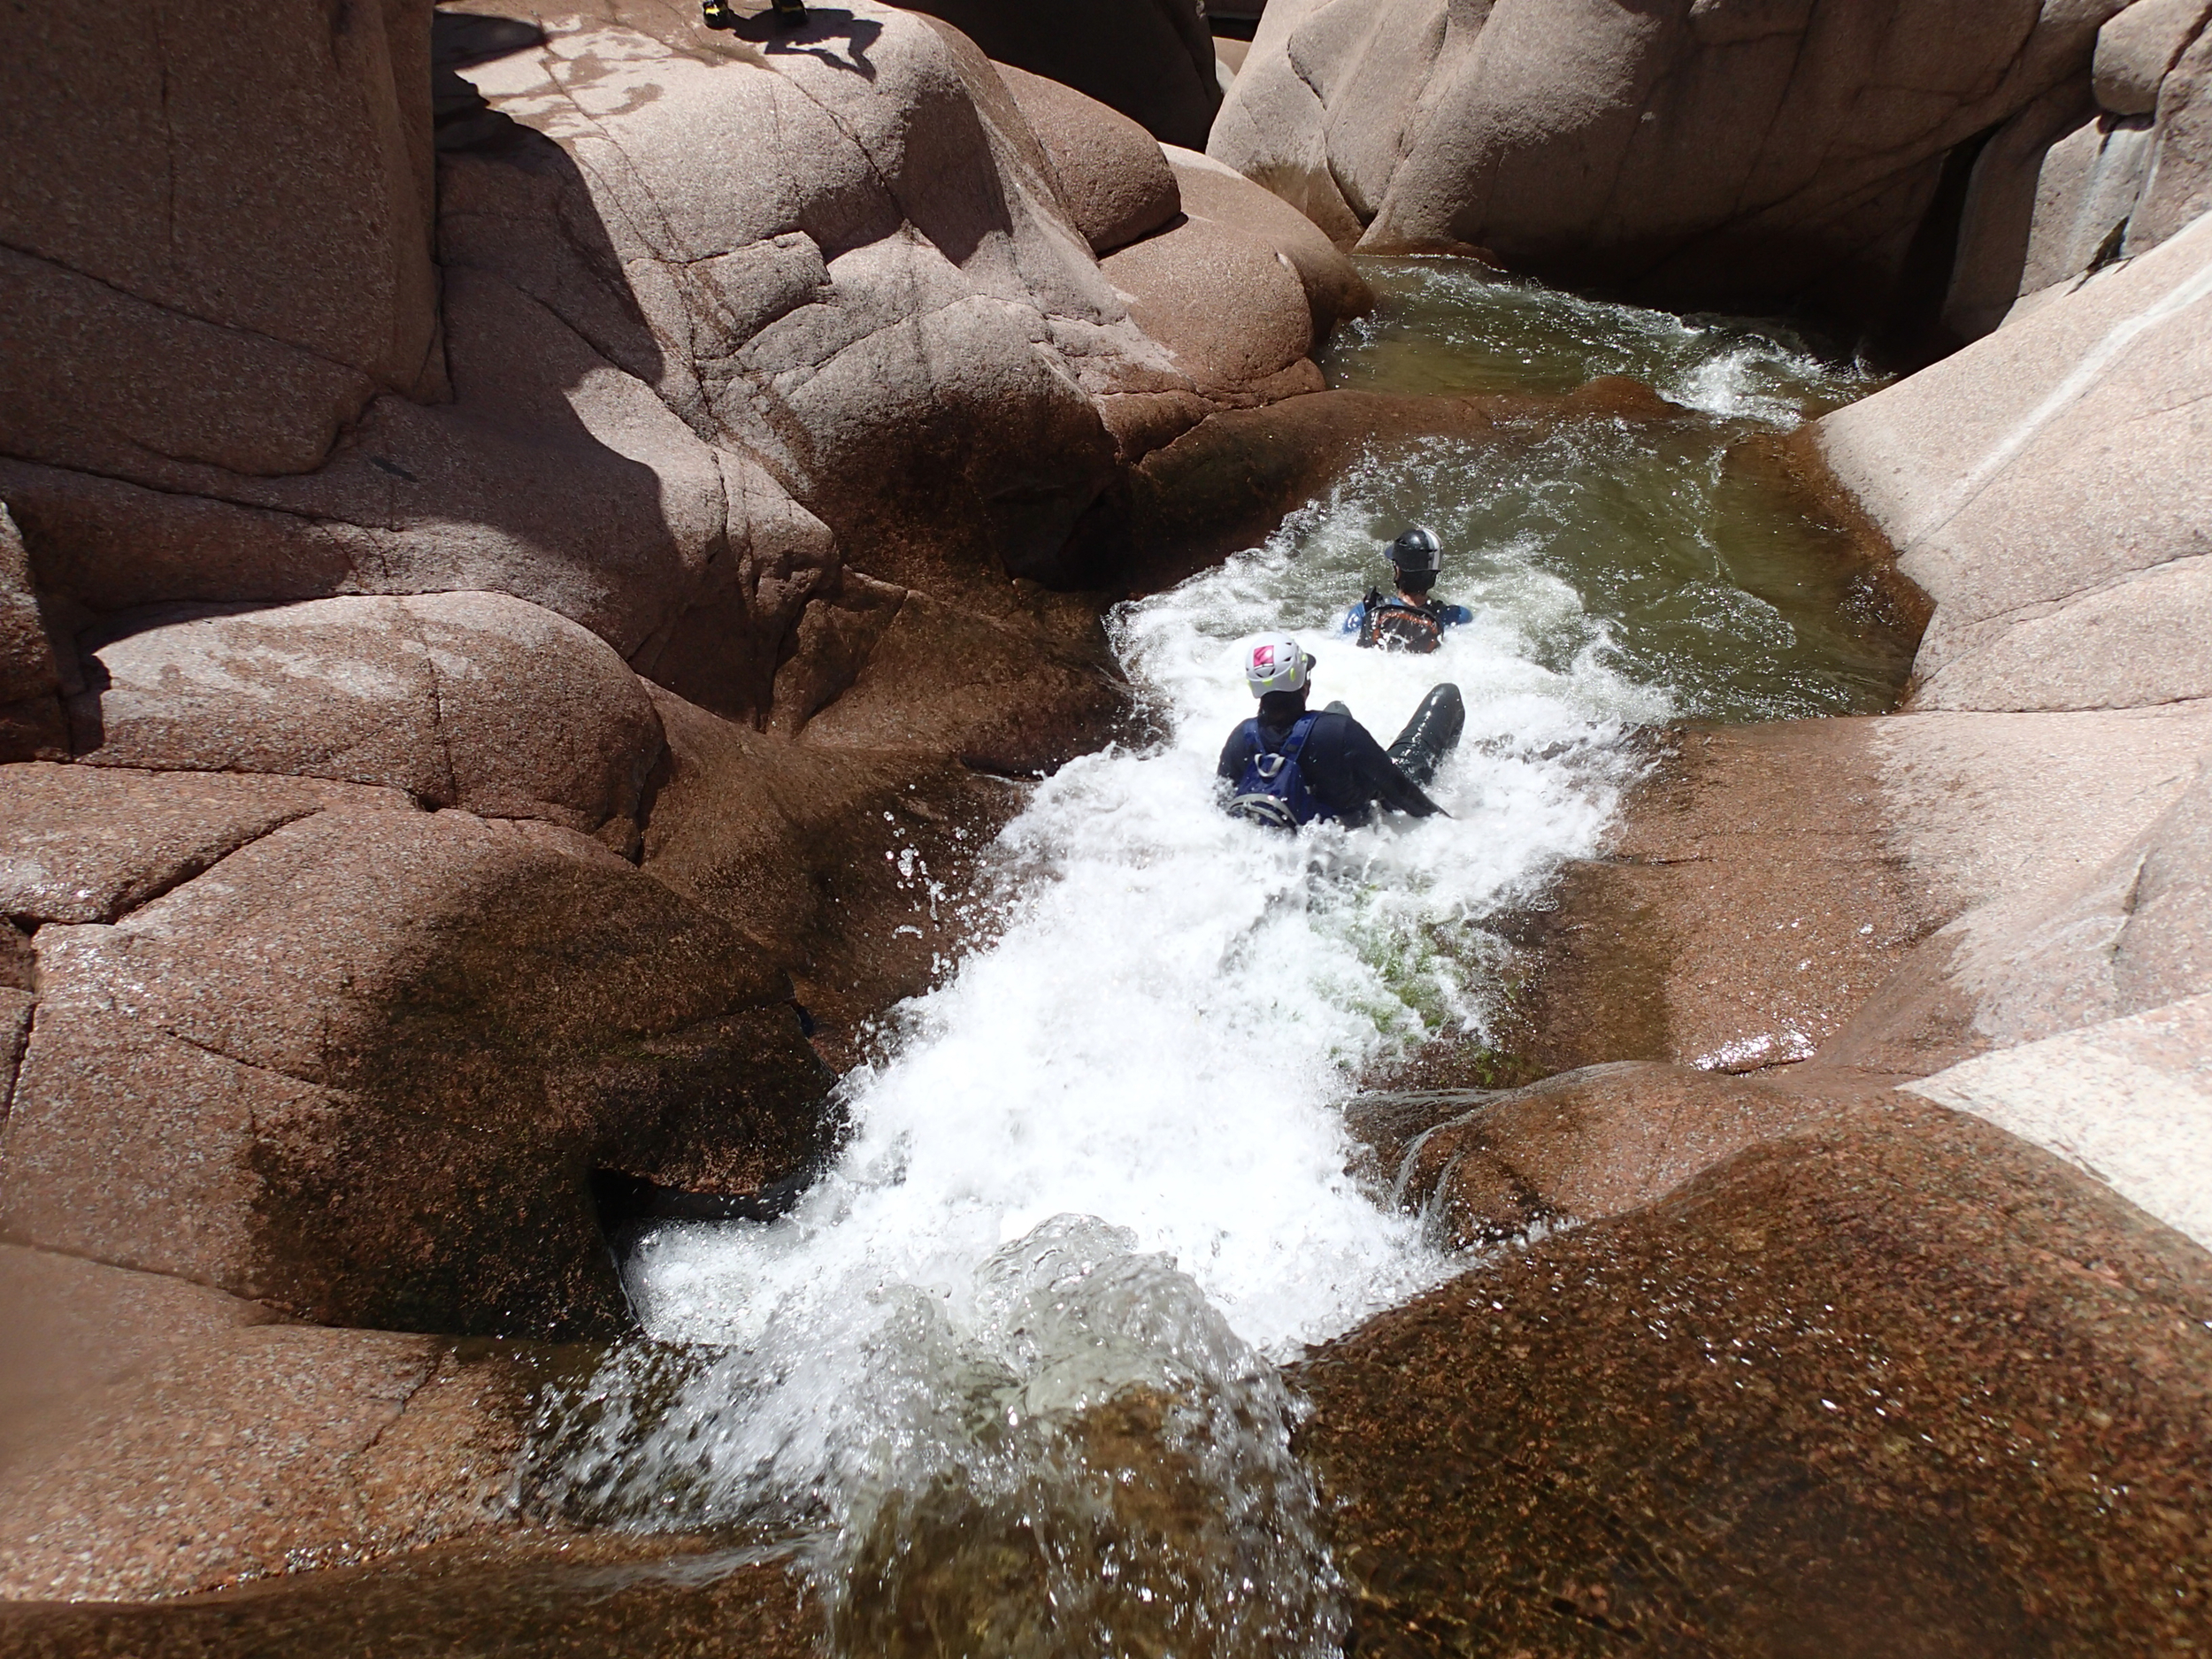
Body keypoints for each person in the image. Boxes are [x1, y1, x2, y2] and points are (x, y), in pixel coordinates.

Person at [1218, 637, 1465, 829]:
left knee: (1337, 707)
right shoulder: (1337, 731)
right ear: (1305, 684)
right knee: (1447, 694)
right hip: (1367, 822)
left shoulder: (1241, 738)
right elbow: (1401, 792)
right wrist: (1450, 829)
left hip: (1305, 824)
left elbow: (1221, 806)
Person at [1340, 526, 1473, 654]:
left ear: (1398, 570)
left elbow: (1340, 650)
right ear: (1434, 572)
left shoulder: (1365, 611)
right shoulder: (1457, 617)